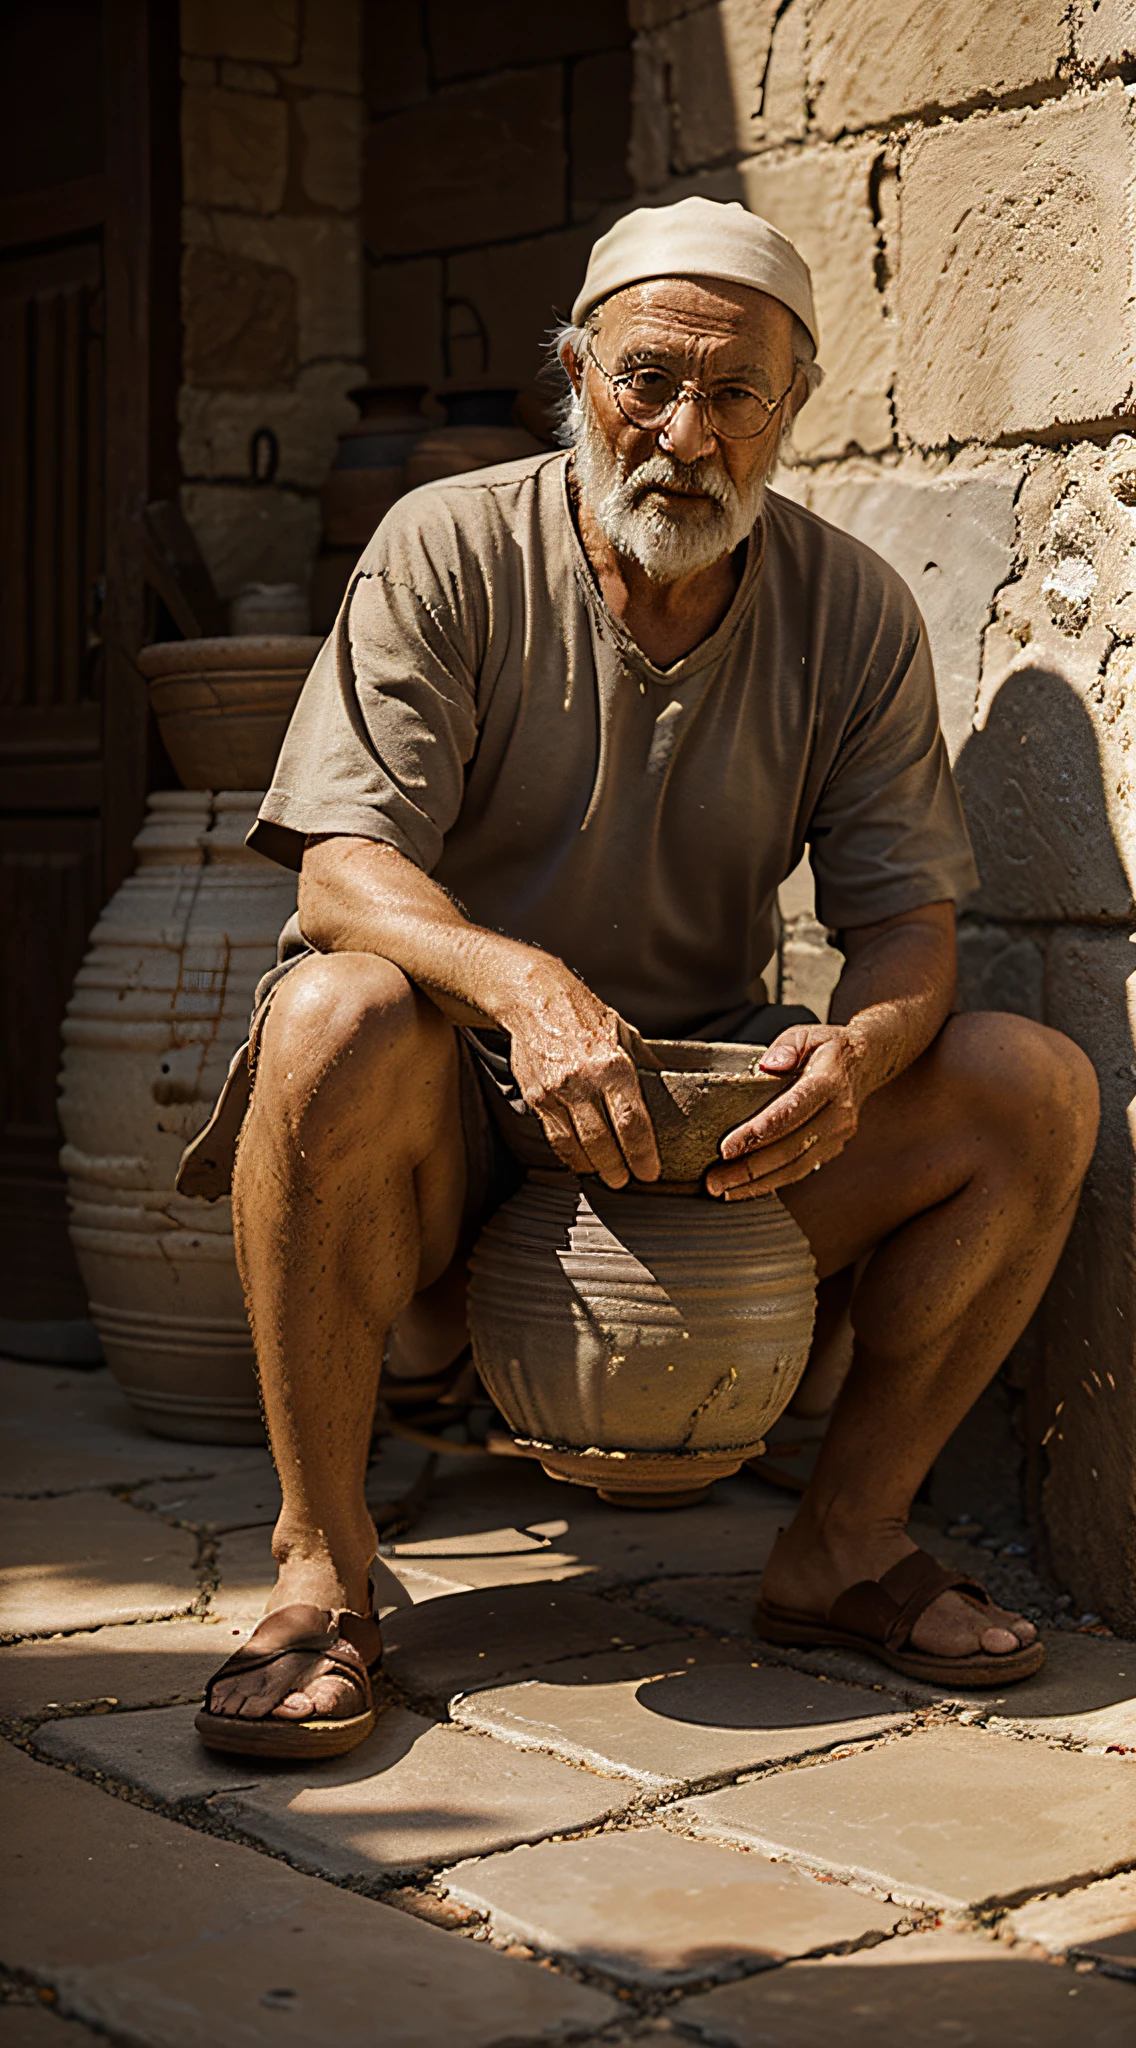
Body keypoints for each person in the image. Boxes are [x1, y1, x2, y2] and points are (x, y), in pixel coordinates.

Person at [187, 199, 1098, 1758]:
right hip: (459, 1108)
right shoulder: (451, 542)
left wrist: (860, 1058)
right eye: (646, 381)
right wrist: (526, 990)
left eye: (736, 392)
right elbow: (341, 866)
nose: (686, 431)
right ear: (574, 371)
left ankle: (846, 1544)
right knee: (337, 1008)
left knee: (1034, 1087)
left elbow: (906, 933)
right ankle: (322, 1567)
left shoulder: (853, 609)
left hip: (710, 1121)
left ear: (791, 409)